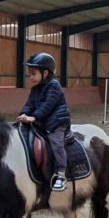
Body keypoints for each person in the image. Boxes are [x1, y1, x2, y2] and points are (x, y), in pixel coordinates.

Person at [18, 52, 71, 192]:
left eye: (33, 74)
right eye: (30, 74)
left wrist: (34, 117)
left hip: (56, 122)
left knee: (56, 143)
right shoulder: (35, 89)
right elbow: (30, 104)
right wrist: (24, 114)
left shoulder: (54, 86)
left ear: (45, 73)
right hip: (42, 121)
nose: (31, 77)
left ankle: (61, 174)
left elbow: (47, 105)